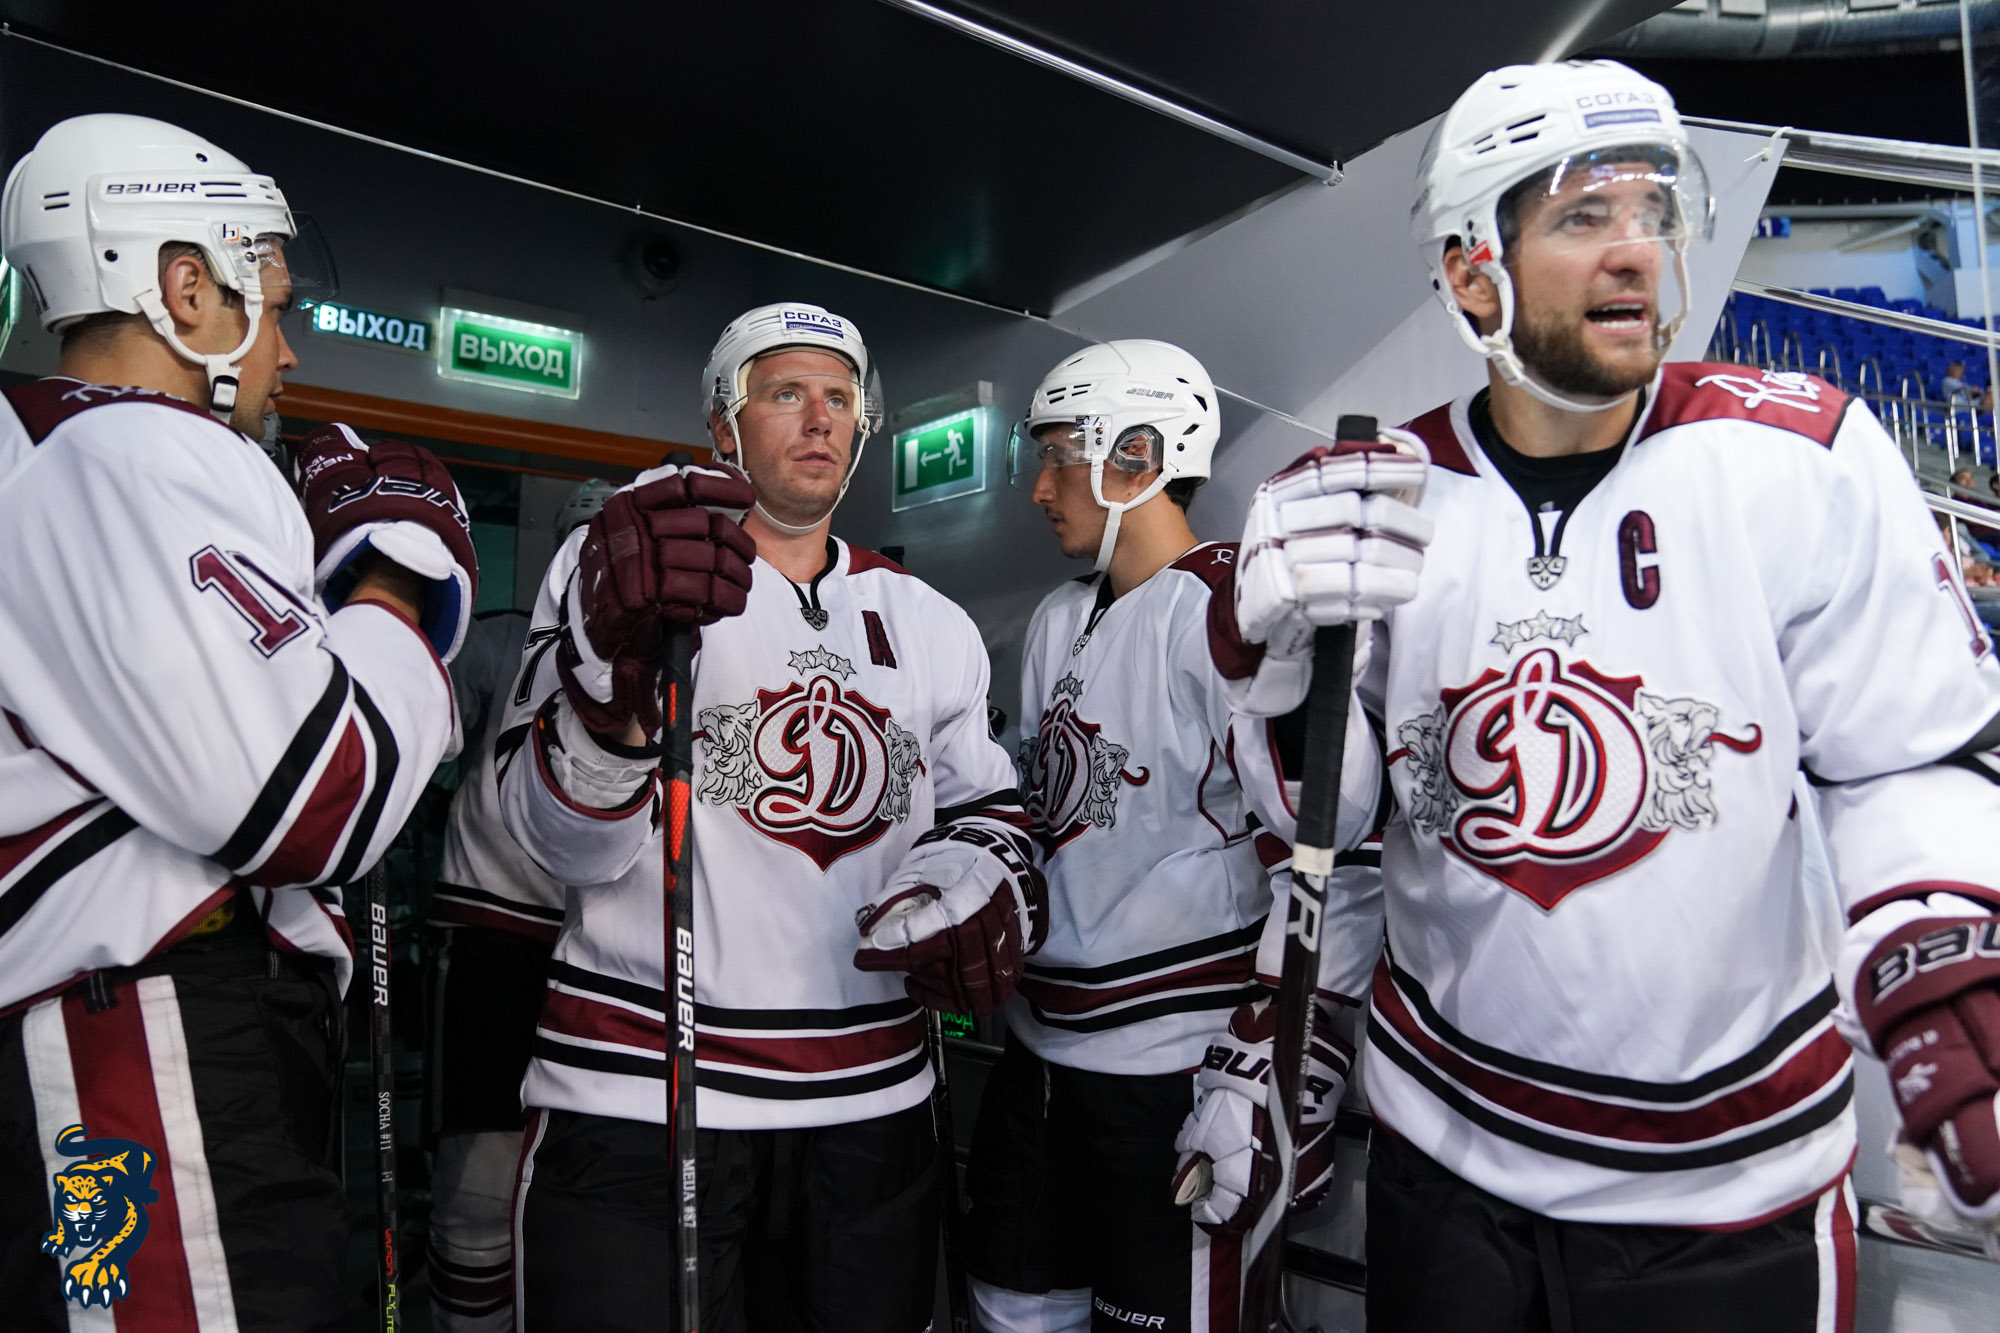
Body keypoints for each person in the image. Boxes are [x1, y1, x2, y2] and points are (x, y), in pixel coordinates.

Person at [1212, 60, 2000, 1331]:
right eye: (1582, 216)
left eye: (1652, 210)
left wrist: (1934, 944)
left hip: (1725, 1182)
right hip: (1443, 1152)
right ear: (1473, 271)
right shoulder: (1368, 497)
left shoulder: (1800, 457)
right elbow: (1329, 821)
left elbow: (1903, 754)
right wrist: (1279, 657)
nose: (1635, 247)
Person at [0, 115, 476, 1330]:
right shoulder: (125, 449)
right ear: (182, 289)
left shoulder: (46, 454)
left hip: (118, 1036)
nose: (288, 349)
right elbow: (317, 801)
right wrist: (395, 574)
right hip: (146, 1040)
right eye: (271, 304)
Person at [498, 301, 1042, 1332]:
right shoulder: (615, 571)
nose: (820, 418)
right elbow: (559, 842)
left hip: (872, 1106)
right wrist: (614, 692)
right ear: (723, 423)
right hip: (641, 1095)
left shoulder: (928, 618)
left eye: (839, 398)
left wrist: (976, 886)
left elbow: (982, 810)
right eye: (786, 393)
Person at [963, 341, 1382, 1333]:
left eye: (1058, 455)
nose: (1039, 488)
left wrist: (1284, 1056)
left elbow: (1334, 851)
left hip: (1173, 1076)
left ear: (1137, 451)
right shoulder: (1055, 619)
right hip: (1037, 1064)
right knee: (1011, 1311)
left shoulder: (1230, 609)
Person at [423, 477, 615, 1331]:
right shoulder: (504, 639)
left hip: (601, 949)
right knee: (480, 1171)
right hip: (493, 933)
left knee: (587, 1170)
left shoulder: (670, 653)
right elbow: (425, 743)